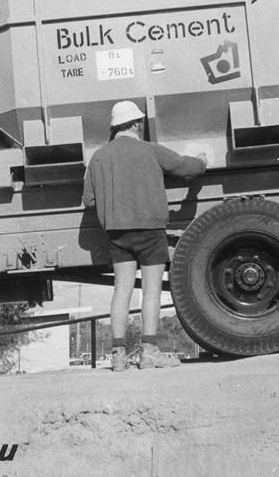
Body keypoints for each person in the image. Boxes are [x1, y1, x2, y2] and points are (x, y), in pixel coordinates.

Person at [82, 101, 207, 372]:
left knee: (122, 290)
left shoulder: (99, 157)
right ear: (137, 124)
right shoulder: (150, 150)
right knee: (151, 291)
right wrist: (202, 161)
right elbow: (186, 168)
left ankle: (117, 356)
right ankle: (149, 353)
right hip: (151, 231)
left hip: (117, 233)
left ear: (115, 127)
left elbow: (89, 200)